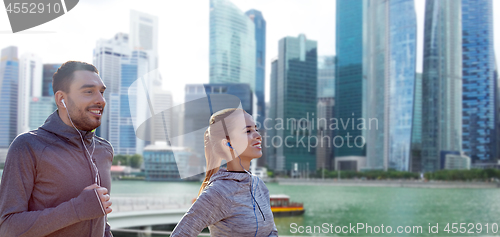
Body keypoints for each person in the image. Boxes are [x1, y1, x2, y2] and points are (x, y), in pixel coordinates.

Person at [0, 61, 114, 236]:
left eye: (102, 92)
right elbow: (7, 228)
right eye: (88, 91)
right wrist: (77, 209)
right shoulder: (28, 146)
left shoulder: (104, 150)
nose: (100, 100)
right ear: (62, 99)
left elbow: (101, 222)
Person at [171, 108, 278, 237]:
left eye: (256, 129)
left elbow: (272, 231)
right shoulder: (219, 191)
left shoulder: (259, 185)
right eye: (248, 131)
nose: (258, 136)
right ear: (228, 143)